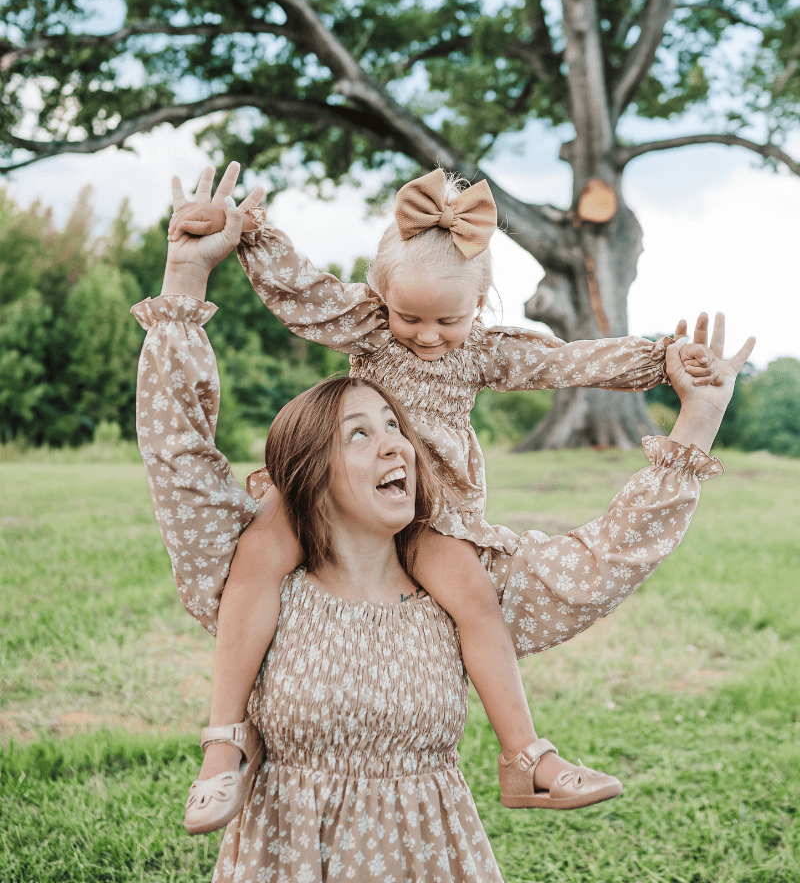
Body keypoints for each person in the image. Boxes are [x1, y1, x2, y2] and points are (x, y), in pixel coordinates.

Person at [134, 172, 754, 881]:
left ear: (480, 305)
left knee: (475, 596)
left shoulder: (481, 360)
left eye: (447, 322)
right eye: (358, 432)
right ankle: (225, 743)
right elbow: (298, 296)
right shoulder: (362, 327)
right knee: (258, 546)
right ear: (381, 297)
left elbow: (561, 363)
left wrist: (663, 368)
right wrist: (240, 241)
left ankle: (526, 754)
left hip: (438, 519)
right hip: (291, 847)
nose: (428, 338)